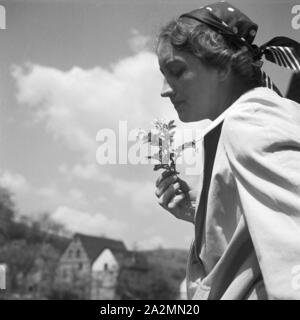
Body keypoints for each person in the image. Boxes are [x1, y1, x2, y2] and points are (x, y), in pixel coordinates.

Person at [154, 1, 300, 300]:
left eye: (177, 71)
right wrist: (203, 215)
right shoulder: (258, 117)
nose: (165, 89)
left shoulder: (251, 121)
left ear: (222, 66)